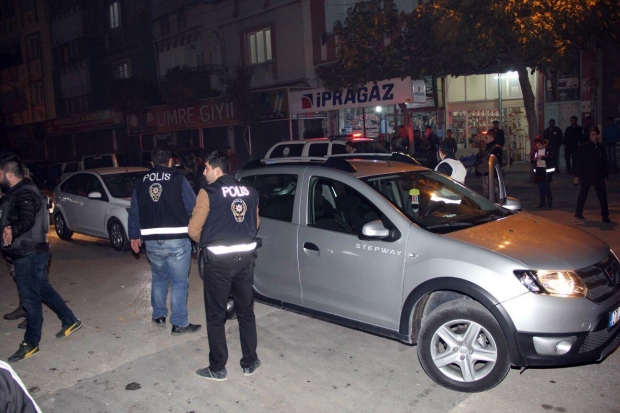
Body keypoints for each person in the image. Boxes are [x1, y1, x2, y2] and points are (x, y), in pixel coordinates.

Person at [189, 150, 261, 381]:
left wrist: (210, 238)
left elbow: (193, 230)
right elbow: (255, 223)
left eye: (207, 168)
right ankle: (250, 362)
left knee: (216, 315)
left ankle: (218, 367)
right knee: (246, 311)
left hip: (219, 263)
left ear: (217, 170)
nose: (204, 173)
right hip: (245, 261)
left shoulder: (208, 192)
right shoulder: (250, 191)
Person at [1, 157, 82, 362]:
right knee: (43, 289)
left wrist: (12, 229)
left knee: (30, 299)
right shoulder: (16, 192)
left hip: (29, 254)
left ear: (9, 174)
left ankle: (31, 343)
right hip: (28, 252)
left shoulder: (26, 192)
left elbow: (27, 218)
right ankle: (70, 320)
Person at [128, 147, 201, 335]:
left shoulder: (140, 182)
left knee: (159, 277)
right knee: (179, 282)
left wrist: (134, 236)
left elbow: (134, 211)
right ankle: (179, 323)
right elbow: (193, 207)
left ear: (152, 164)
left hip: (152, 241)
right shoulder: (178, 179)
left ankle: (159, 315)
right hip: (177, 239)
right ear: (170, 162)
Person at [574, 127, 610, 223]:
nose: (591, 136)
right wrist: (577, 175)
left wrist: (606, 177)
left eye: (593, 135)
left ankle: (605, 216)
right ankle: (578, 212)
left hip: (599, 175)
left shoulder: (601, 147)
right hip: (587, 174)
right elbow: (579, 161)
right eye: (590, 134)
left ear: (598, 136)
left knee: (602, 196)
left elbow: (604, 163)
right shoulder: (584, 147)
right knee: (583, 194)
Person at [530, 136, 555, 208]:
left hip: (546, 171)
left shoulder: (547, 150)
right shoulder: (536, 151)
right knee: (540, 187)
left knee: (546, 186)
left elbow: (552, 157)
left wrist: (543, 157)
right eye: (537, 144)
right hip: (539, 170)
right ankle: (542, 202)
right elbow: (532, 160)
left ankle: (549, 201)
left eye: (539, 144)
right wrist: (534, 159)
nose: (538, 145)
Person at [478, 130, 503, 200]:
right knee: (486, 192)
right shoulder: (486, 147)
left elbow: (497, 161)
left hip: (492, 174)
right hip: (486, 172)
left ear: (492, 138)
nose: (485, 139)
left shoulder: (496, 148)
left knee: (493, 192)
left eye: (487, 138)